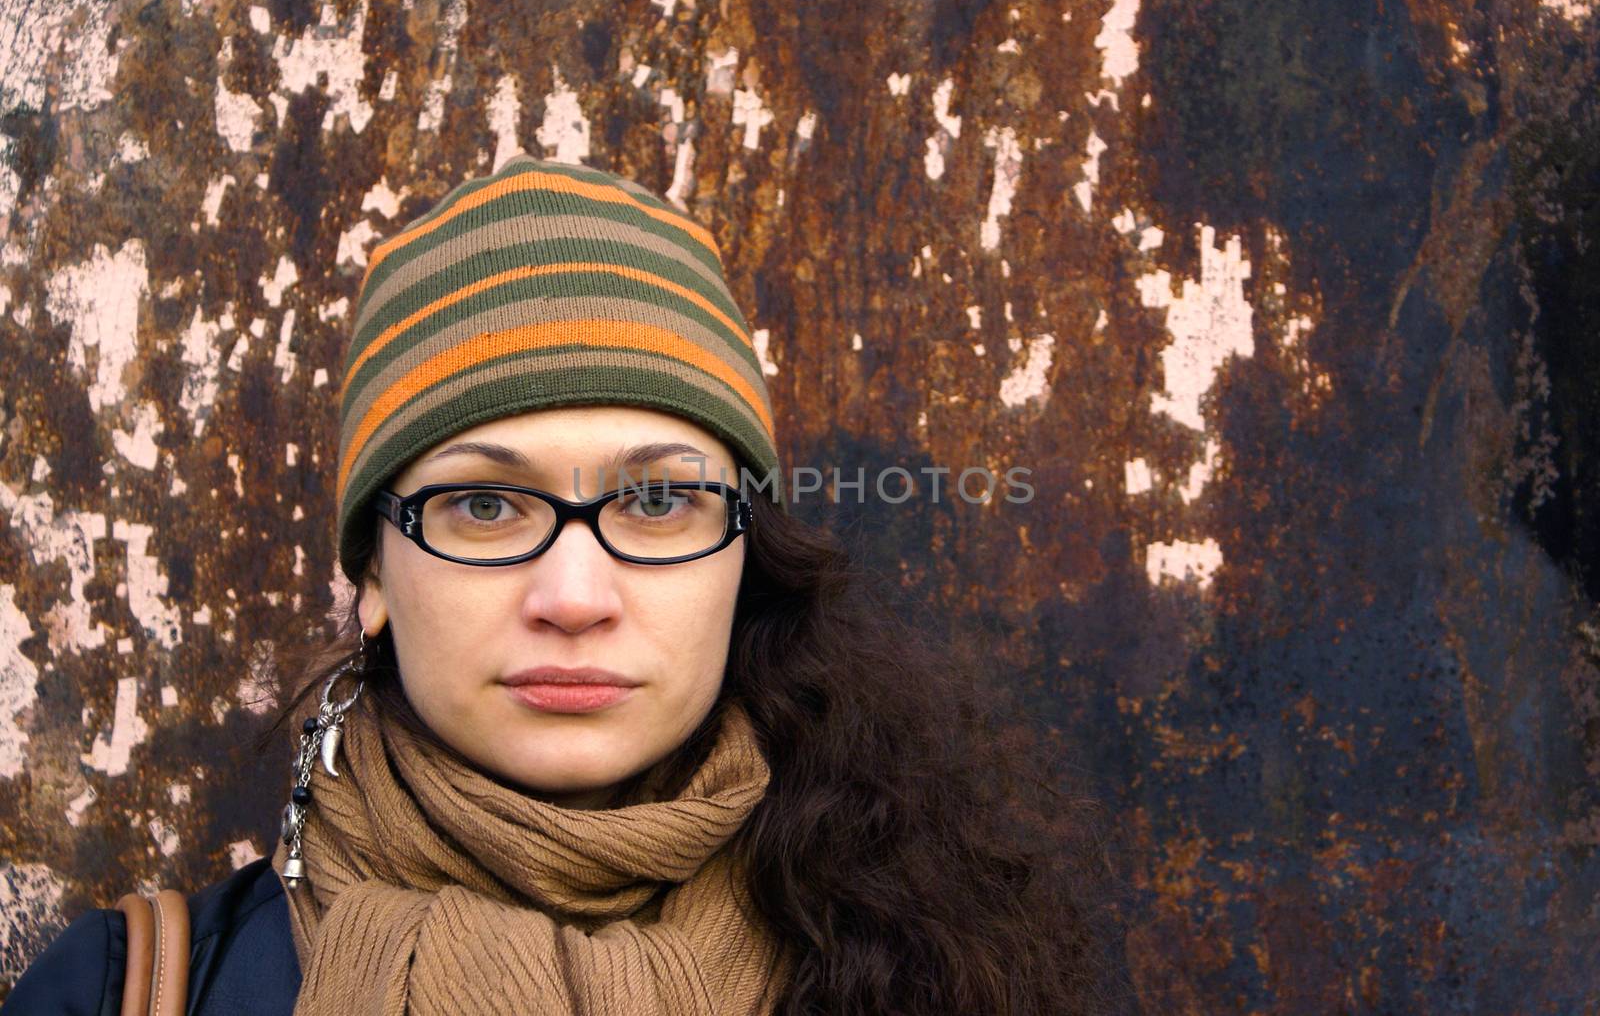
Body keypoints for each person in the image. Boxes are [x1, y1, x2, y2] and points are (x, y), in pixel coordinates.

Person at [2, 156, 1133, 1015]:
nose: (575, 592)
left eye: (657, 502)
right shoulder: (134, 989)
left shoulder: (932, 963)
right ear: (373, 578)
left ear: (745, 555)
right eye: (485, 505)